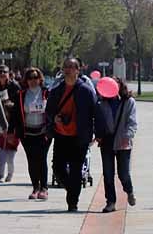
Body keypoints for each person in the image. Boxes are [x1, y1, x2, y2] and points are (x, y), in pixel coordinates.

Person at [46, 57, 98, 212]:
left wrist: (97, 133)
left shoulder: (86, 91)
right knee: (57, 168)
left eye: (71, 67)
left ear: (78, 70)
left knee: (76, 170)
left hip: (79, 136)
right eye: (65, 67)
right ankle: (72, 189)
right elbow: (48, 111)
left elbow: (95, 112)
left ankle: (72, 202)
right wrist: (54, 118)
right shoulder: (57, 90)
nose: (68, 70)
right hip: (61, 135)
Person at [95, 77, 138, 213]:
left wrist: (128, 136)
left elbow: (132, 122)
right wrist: (98, 135)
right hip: (107, 142)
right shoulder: (101, 103)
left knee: (123, 174)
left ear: (120, 86)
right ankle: (111, 202)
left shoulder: (128, 102)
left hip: (122, 142)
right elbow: (97, 121)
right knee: (108, 174)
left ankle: (129, 191)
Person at [19, 67, 50, 200]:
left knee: (42, 159)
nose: (33, 80)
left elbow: (52, 110)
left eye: (35, 77)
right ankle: (35, 188)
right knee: (31, 160)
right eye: (30, 78)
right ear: (26, 80)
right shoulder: (21, 94)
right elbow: (16, 114)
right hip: (28, 133)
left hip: (43, 132)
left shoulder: (46, 93)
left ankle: (44, 188)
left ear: (40, 79)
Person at [0, 65, 21, 183]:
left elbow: (19, 104)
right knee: (1, 151)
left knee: (11, 153)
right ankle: (1, 175)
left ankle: (10, 174)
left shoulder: (15, 86)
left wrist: (10, 105)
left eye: (4, 72)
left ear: (9, 74)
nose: (2, 74)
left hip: (12, 122)